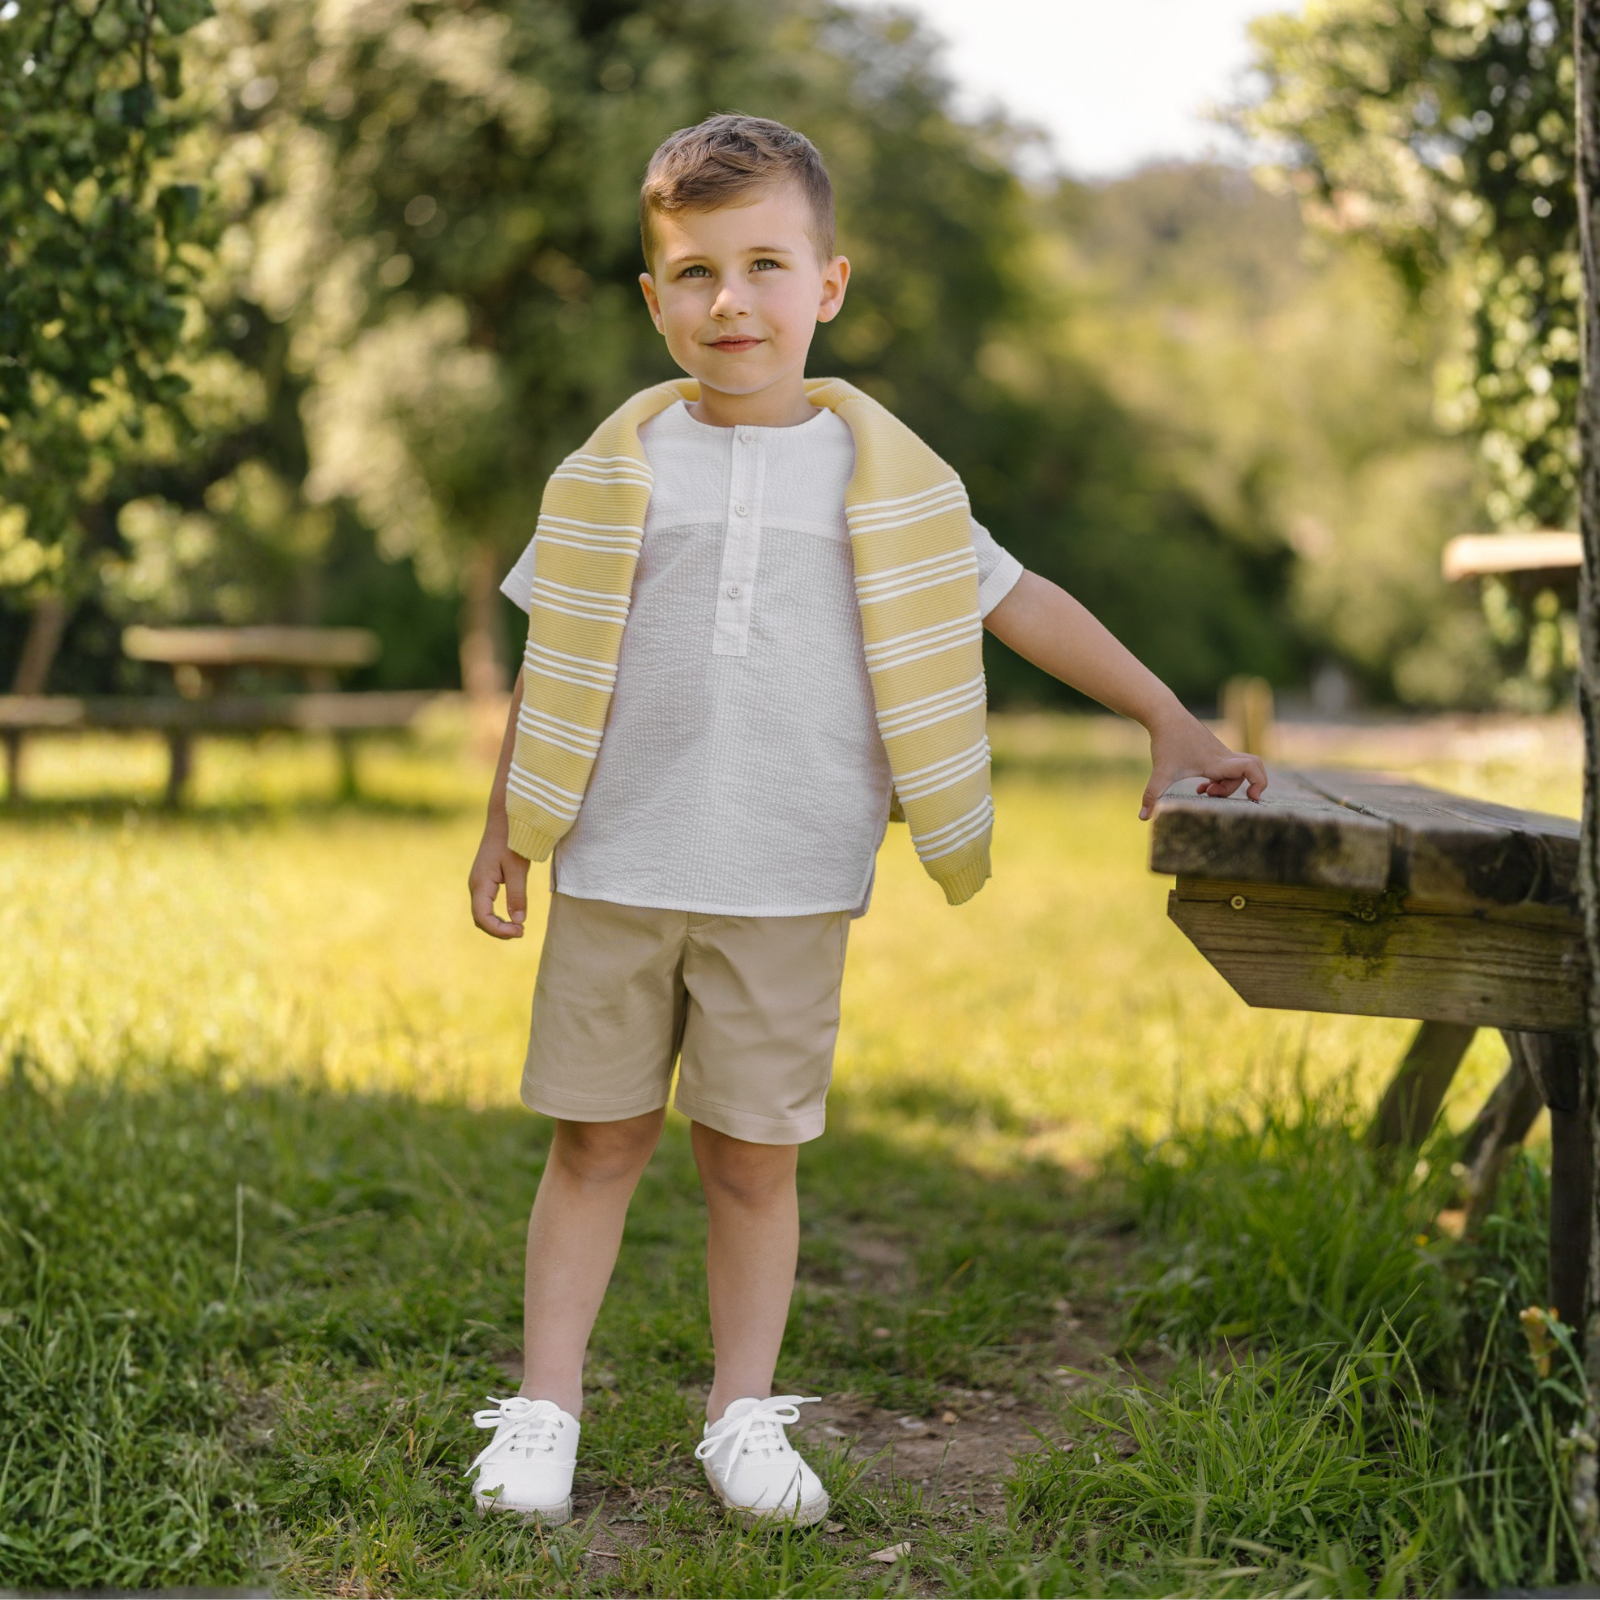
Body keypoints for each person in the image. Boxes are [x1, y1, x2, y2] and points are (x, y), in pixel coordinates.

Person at [464, 113, 1266, 1529]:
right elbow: (556, 659)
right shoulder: (611, 478)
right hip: (618, 864)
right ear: (654, 301)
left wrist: (1168, 718)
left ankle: (743, 1417)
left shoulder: (886, 485)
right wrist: (504, 830)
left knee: (751, 1160)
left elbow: (1024, 604)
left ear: (828, 285)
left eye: (766, 265)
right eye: (696, 272)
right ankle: (544, 1410)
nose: (731, 300)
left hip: (786, 877)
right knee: (594, 1143)